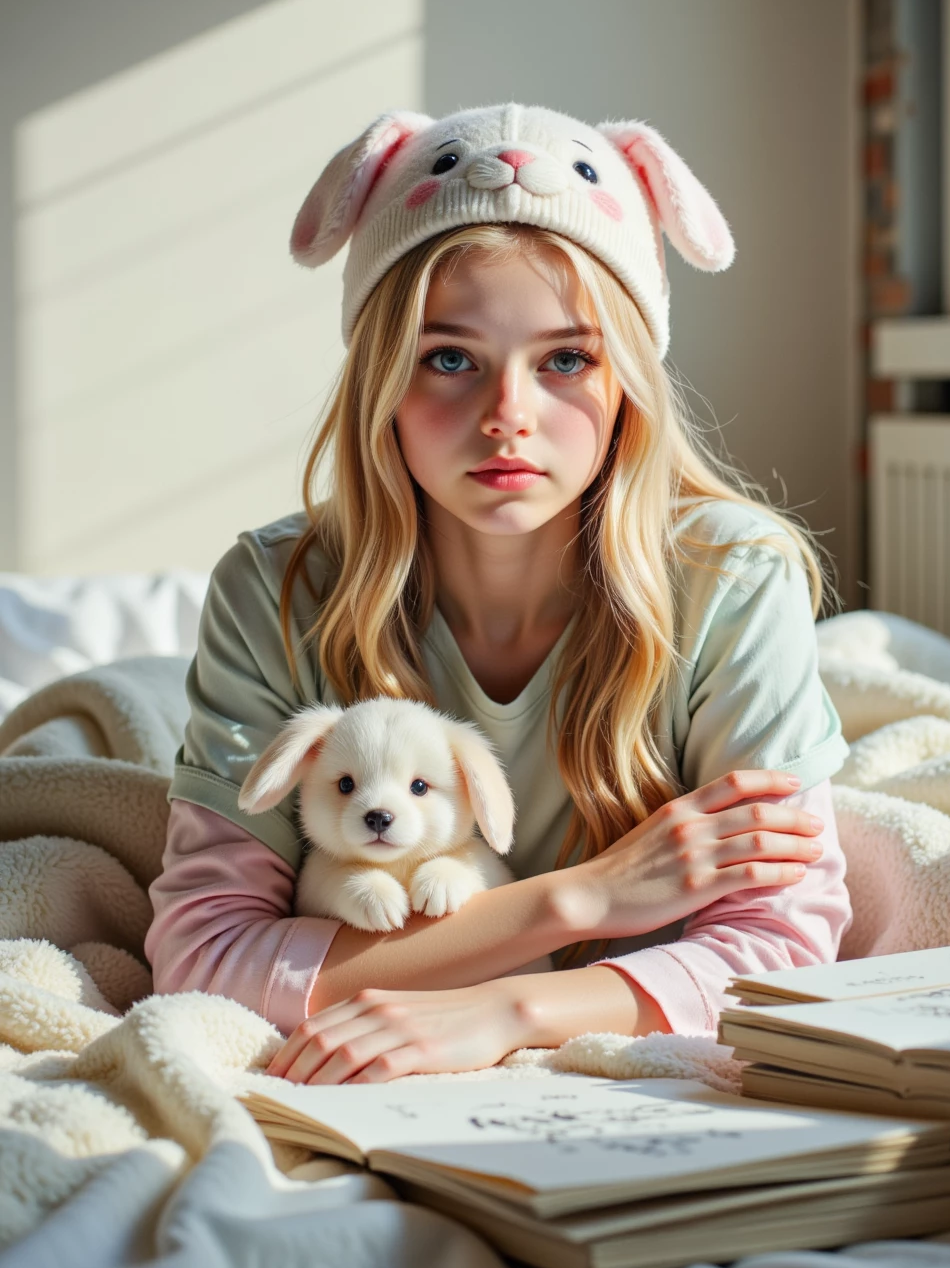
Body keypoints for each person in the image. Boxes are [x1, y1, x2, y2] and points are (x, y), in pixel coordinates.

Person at [145, 102, 852, 1085]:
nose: (505, 418)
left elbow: (780, 943)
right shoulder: (274, 589)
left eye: (566, 359)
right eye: (449, 360)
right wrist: (582, 903)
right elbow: (205, 957)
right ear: (381, 379)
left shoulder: (732, 576)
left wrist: (506, 1012)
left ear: (627, 384)